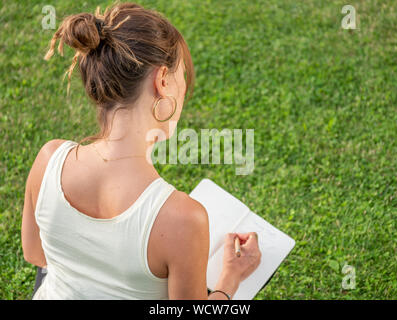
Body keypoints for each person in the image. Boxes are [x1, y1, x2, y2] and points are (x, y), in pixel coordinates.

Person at [21, 2, 261, 300]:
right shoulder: (183, 219)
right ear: (162, 81)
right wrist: (229, 281)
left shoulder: (49, 159)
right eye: (181, 77)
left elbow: (35, 254)